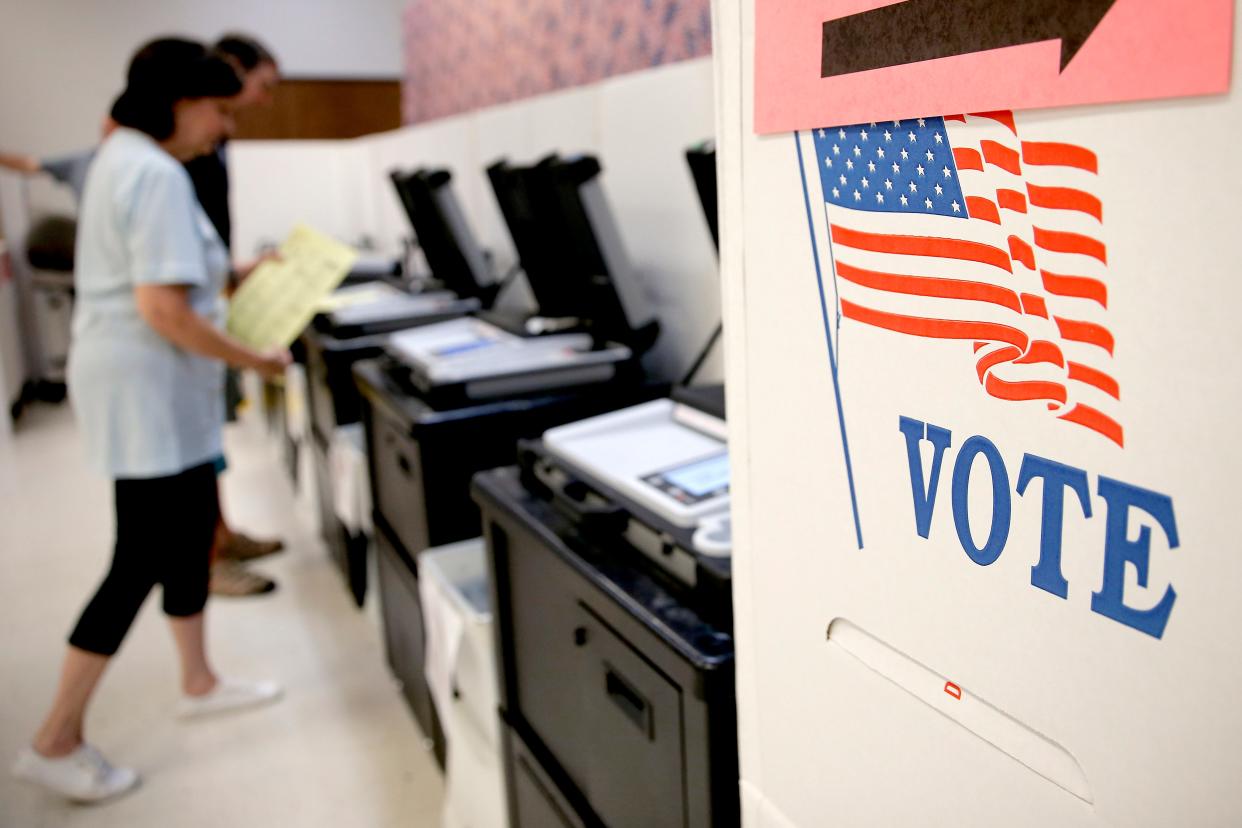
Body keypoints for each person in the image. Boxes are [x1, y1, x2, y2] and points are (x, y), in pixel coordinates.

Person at [10, 37, 290, 804]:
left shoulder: (120, 158)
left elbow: (175, 280)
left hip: (151, 383)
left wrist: (244, 276)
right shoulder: (157, 173)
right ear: (180, 101)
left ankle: (199, 679)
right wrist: (254, 360)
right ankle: (56, 737)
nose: (225, 127)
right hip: (148, 384)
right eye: (220, 111)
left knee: (193, 520)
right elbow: (163, 309)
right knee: (141, 553)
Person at [188, 33, 287, 597]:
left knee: (211, 440)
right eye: (262, 87)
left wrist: (240, 270)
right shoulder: (165, 165)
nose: (233, 121)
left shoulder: (209, 148)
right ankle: (208, 558)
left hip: (213, 295)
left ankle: (222, 537)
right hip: (193, 315)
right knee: (198, 448)